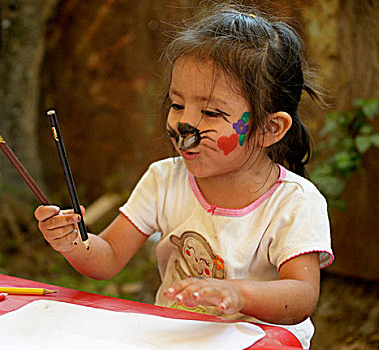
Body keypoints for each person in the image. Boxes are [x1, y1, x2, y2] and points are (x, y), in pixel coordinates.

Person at [35, 3, 334, 348]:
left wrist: (237, 295)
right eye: (177, 105)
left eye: (210, 111)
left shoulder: (295, 202)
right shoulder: (164, 180)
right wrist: (73, 241)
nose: (183, 126)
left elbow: (301, 296)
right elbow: (110, 258)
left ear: (270, 128)